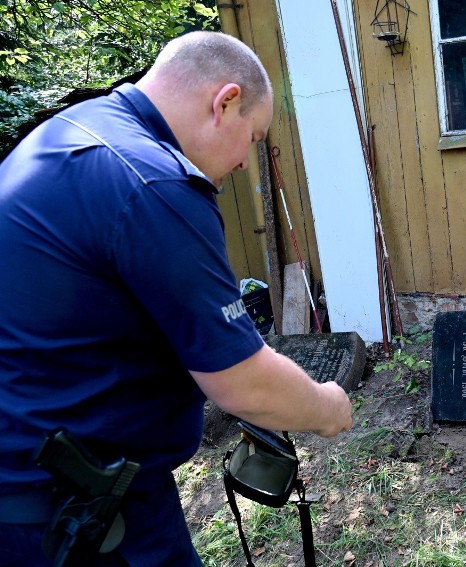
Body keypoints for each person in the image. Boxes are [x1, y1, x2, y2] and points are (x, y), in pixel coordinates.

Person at [0, 31, 353, 565]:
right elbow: (244, 383)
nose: (242, 165)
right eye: (252, 139)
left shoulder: (67, 133)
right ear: (225, 101)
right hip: (80, 518)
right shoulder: (154, 183)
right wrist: (328, 407)